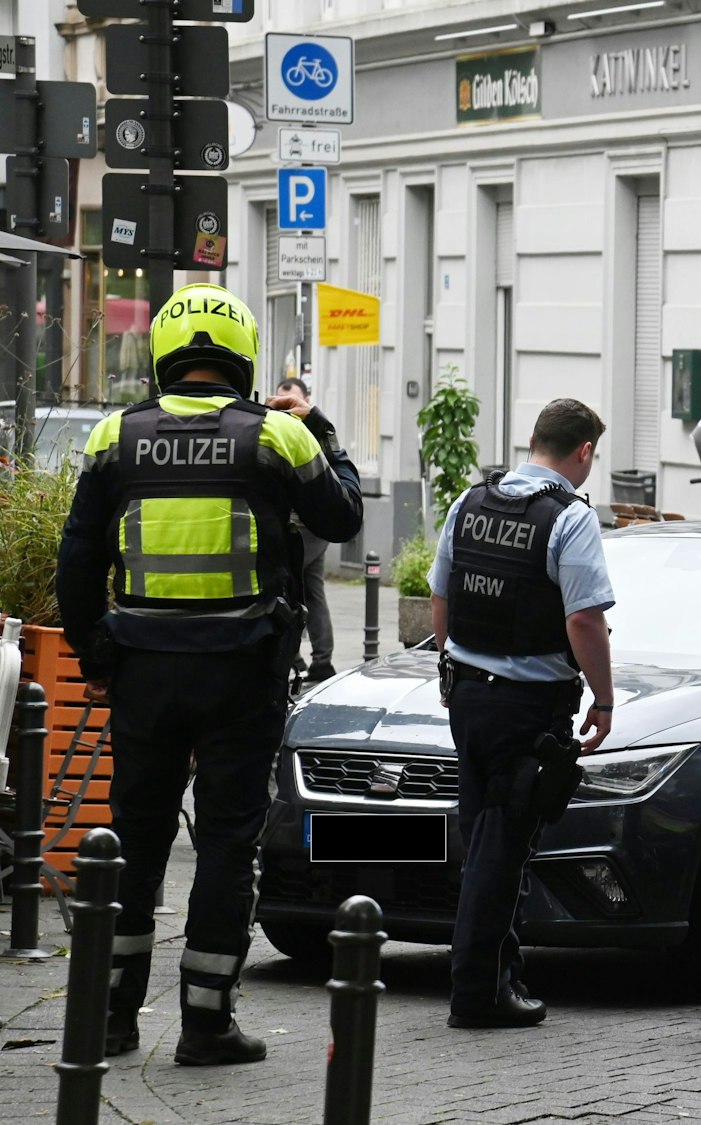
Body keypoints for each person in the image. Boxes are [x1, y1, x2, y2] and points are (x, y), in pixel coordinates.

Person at [56, 283, 364, 1065]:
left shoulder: (114, 437)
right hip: (242, 675)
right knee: (227, 844)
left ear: (165, 351)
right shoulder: (278, 436)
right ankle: (205, 1022)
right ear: (241, 356)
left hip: (143, 673)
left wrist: (96, 657)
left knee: (135, 839)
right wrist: (320, 428)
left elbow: (78, 562)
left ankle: (112, 1017)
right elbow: (342, 516)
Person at [429, 398, 616, 1029]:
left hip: (468, 699)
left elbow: (441, 596)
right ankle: (478, 992)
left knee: (484, 838)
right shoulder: (569, 518)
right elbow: (584, 620)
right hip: (527, 707)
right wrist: (604, 699)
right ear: (583, 451)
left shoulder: (470, 502)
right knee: (503, 850)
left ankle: (499, 976)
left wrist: (451, 668)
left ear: (533, 439)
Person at [274, 376, 336, 684]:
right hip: (307, 525)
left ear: (306, 402)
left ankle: (295, 658)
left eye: (292, 404)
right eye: (281, 404)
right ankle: (321, 661)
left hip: (308, 528)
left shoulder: (312, 430)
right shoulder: (280, 431)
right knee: (313, 591)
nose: (287, 411)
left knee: (286, 587)